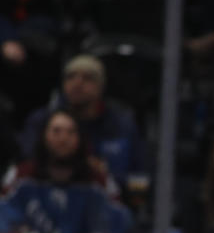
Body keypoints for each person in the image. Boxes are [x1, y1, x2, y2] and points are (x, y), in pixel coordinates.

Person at [0, 109, 132, 233]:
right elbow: (3, 212)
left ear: (80, 138)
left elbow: (119, 222)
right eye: (56, 131)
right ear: (44, 136)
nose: (63, 139)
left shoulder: (97, 179)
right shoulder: (21, 175)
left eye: (71, 132)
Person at [20, 54, 146, 191]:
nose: (77, 83)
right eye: (70, 77)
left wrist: (107, 175)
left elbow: (140, 178)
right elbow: (27, 164)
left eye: (88, 78)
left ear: (101, 86)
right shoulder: (43, 121)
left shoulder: (122, 125)